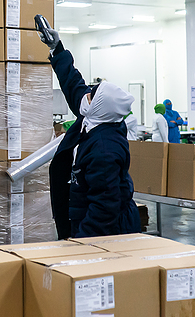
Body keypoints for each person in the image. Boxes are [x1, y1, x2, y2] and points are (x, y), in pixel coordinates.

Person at [41, 28, 140, 239]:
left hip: (104, 229)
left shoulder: (104, 149)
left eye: (91, 95)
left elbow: (105, 207)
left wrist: (83, 243)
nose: (86, 95)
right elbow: (73, 84)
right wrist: (57, 49)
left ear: (98, 106)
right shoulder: (94, 117)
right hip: (82, 213)